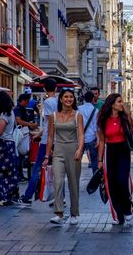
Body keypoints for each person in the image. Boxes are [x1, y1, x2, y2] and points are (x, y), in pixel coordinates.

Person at [97, 93, 133, 225]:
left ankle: (128, 208)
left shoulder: (125, 117)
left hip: (123, 150)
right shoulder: (103, 119)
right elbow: (101, 141)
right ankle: (119, 214)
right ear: (112, 104)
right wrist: (99, 160)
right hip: (110, 152)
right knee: (112, 185)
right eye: (119, 102)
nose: (122, 104)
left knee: (122, 181)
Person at [43, 88, 84, 225]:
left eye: (71, 97)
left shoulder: (78, 115)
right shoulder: (53, 116)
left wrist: (80, 149)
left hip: (73, 150)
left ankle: (74, 213)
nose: (68, 99)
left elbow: (81, 134)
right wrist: (46, 156)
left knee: (73, 183)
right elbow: (49, 137)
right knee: (58, 182)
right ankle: (59, 213)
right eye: (65, 97)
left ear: (74, 99)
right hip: (58, 151)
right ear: (61, 99)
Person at [20, 78, 57, 204]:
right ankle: (60, 197)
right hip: (56, 139)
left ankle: (27, 196)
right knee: (58, 169)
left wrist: (42, 134)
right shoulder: (59, 102)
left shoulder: (47, 102)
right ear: (56, 88)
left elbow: (49, 123)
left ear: (45, 89)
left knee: (37, 168)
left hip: (47, 140)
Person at [14, 93, 38, 181]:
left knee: (22, 156)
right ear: (23, 100)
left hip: (24, 134)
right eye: (27, 101)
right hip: (20, 135)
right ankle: (18, 175)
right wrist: (30, 124)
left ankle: (20, 174)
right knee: (19, 155)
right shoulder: (17, 109)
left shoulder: (23, 109)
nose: (28, 103)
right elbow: (18, 120)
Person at [78, 91, 99, 174]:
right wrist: (98, 139)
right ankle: (95, 177)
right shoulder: (95, 110)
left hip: (80, 138)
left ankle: (76, 175)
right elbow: (96, 126)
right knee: (94, 160)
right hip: (92, 137)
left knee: (77, 158)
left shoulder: (79, 109)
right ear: (92, 99)